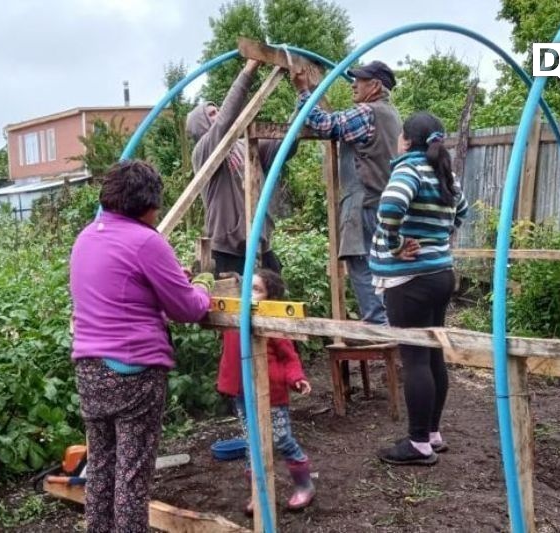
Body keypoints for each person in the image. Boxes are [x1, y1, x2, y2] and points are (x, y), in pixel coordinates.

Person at [69, 160, 215, 532]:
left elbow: (122, 289)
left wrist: (169, 281)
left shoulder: (86, 237)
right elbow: (187, 309)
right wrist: (201, 290)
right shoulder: (146, 241)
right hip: (133, 373)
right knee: (132, 478)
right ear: (148, 205)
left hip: (90, 370)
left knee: (102, 468)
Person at [370, 111, 469, 466]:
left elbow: (391, 206)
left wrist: (396, 244)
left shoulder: (408, 169)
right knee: (432, 355)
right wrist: (438, 238)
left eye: (399, 136)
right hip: (440, 275)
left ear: (407, 141)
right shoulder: (445, 173)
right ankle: (432, 433)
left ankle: (418, 444)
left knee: (414, 359)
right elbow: (462, 212)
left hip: (410, 281)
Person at [291, 60, 403, 325]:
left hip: (363, 200)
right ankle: (392, 322)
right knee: (385, 264)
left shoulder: (367, 112)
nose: (353, 84)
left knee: (359, 260)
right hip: (385, 201)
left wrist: (303, 93)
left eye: (359, 80)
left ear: (375, 86)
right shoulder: (392, 114)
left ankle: (378, 323)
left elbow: (326, 124)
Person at [185, 59, 297, 276]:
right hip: (227, 249)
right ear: (202, 126)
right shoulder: (204, 151)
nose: (217, 115)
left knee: (270, 301)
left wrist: (302, 104)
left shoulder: (245, 147)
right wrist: (249, 70)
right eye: (211, 114)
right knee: (235, 305)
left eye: (217, 110)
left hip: (259, 245)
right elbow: (225, 121)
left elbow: (283, 145)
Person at [217, 269, 316, 511]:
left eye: (257, 290)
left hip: (272, 394)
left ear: (269, 301)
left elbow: (289, 357)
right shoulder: (233, 317)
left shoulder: (270, 324)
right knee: (252, 442)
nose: (249, 294)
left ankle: (305, 485)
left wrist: (297, 379)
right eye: (247, 288)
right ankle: (258, 493)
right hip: (243, 394)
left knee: (282, 439)